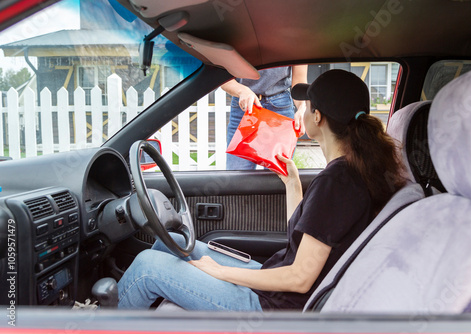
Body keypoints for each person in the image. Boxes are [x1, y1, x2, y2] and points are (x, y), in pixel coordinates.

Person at [117, 69, 407, 310]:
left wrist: (222, 273)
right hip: (278, 289)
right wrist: (292, 182)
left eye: (306, 105)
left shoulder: (337, 181)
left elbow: (300, 279)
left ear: (317, 117)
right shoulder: (351, 173)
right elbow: (304, 238)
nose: (302, 109)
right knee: (169, 244)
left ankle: (97, 321)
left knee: (146, 267)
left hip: (272, 308)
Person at [222, 66, 308, 170]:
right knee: (237, 176)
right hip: (245, 106)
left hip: (279, 106)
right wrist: (241, 90)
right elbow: (221, 78)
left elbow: (299, 81)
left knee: (277, 176)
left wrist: (303, 107)